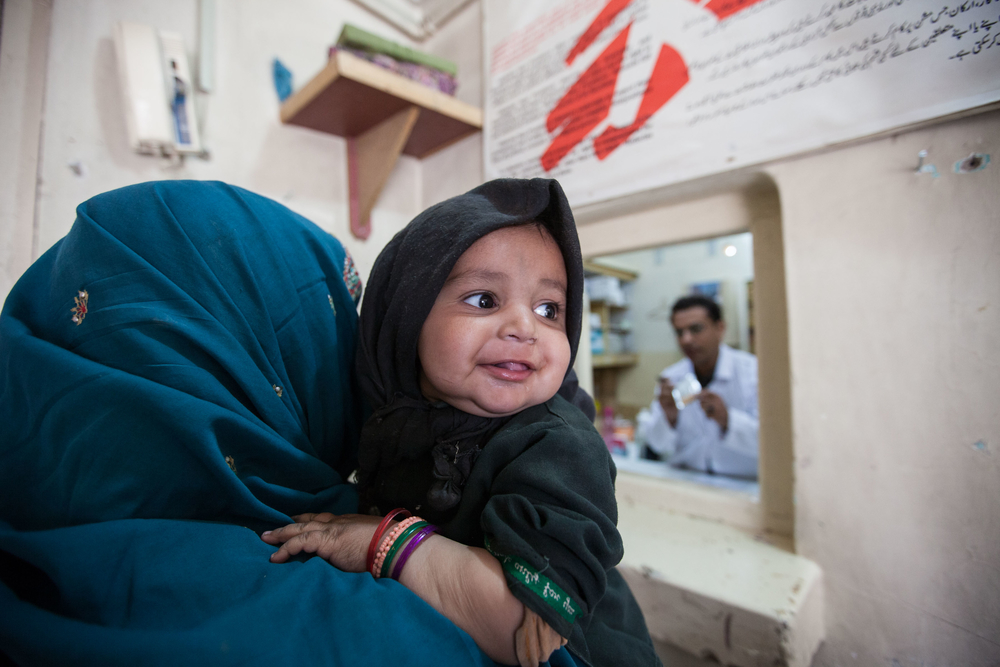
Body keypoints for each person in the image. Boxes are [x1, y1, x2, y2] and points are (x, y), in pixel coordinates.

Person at [261, 179, 660, 667]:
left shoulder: (558, 446)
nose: (524, 327)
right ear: (406, 318)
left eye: (548, 309)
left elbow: (522, 630)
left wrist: (379, 541)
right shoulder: (398, 420)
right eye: (484, 300)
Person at [637, 294, 758, 478]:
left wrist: (728, 420)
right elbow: (658, 445)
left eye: (696, 329)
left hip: (741, 485)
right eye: (679, 332)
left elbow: (773, 443)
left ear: (720, 328)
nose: (686, 340)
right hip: (688, 481)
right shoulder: (671, 378)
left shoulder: (752, 372)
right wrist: (669, 417)